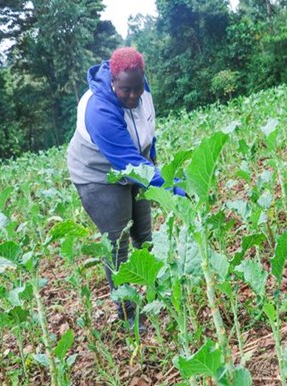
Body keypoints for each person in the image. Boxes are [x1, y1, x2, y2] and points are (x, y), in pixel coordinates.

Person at [67, 47, 185, 330]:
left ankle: (156, 291)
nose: (133, 96)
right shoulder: (99, 110)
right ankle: (127, 312)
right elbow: (127, 163)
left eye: (137, 88)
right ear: (112, 82)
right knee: (117, 243)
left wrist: (153, 158)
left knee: (144, 234)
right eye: (125, 90)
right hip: (97, 175)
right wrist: (174, 187)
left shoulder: (142, 91)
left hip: (136, 163)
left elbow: (147, 132)